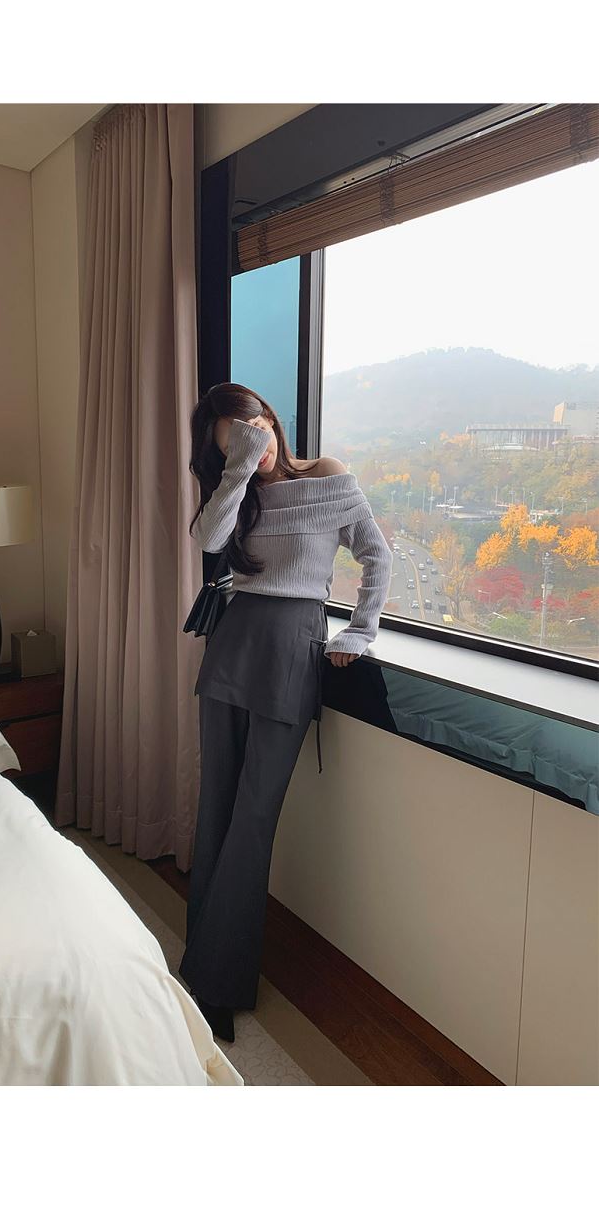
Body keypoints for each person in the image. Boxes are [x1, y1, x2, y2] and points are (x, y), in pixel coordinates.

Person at [178, 381, 393, 1042]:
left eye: (255, 430)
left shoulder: (327, 475)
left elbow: (376, 555)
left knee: (254, 818)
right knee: (217, 805)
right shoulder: (237, 492)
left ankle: (215, 979)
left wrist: (359, 632)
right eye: (232, 443)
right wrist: (240, 468)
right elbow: (209, 540)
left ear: (270, 418)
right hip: (233, 647)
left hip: (292, 652)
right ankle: (201, 961)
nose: (251, 446)